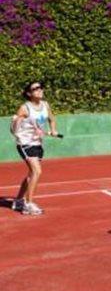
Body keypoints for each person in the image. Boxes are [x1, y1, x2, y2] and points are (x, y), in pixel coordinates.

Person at [9, 81, 59, 215]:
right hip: (25, 143)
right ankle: (28, 204)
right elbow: (13, 130)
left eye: (41, 87)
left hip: (38, 143)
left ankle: (19, 200)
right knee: (37, 171)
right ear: (29, 93)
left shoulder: (45, 105)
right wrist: (15, 122)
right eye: (35, 88)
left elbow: (52, 119)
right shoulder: (25, 108)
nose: (39, 90)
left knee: (32, 173)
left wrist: (53, 130)